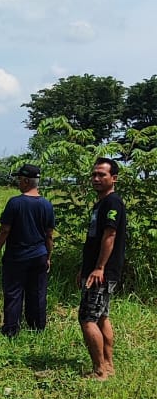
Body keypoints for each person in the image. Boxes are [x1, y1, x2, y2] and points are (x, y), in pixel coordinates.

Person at [0, 163, 55, 337]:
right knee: (38, 293)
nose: (18, 182)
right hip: (39, 255)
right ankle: (37, 328)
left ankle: (11, 330)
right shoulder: (47, 205)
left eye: (19, 179)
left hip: (16, 257)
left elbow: (4, 230)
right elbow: (49, 235)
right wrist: (48, 256)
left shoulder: (15, 203)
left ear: (26, 181)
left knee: (14, 293)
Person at [78, 157, 126, 380]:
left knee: (87, 319)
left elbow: (110, 235)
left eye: (102, 175)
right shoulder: (101, 203)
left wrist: (99, 268)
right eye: (94, 175)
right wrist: (86, 267)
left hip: (102, 273)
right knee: (102, 317)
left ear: (113, 178)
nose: (96, 179)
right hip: (96, 270)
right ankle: (108, 365)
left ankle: (100, 371)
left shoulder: (112, 203)